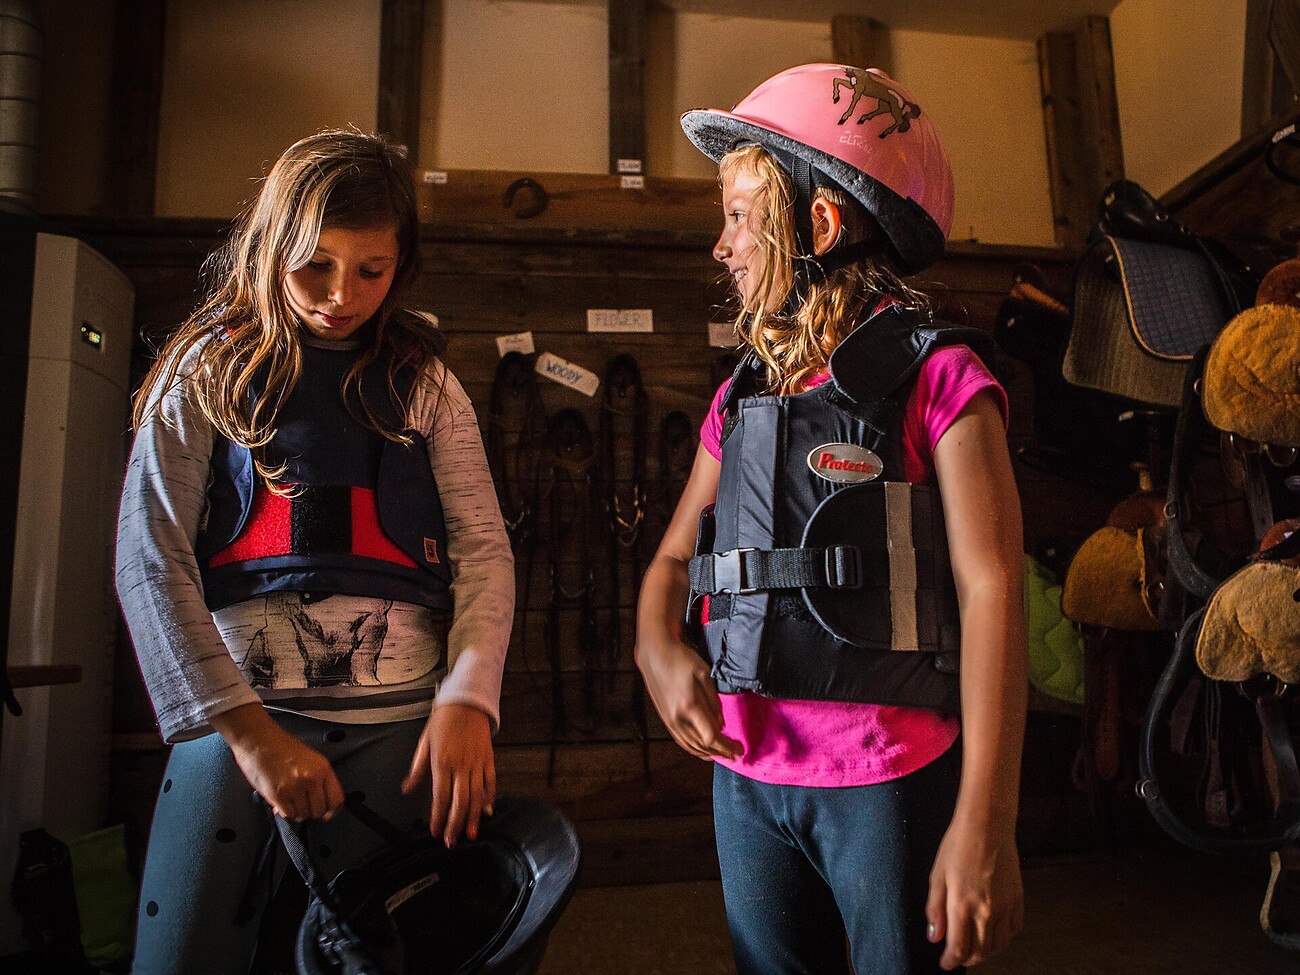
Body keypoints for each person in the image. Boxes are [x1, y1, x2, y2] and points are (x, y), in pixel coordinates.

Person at [635, 64, 1027, 974]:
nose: (722, 247)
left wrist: (987, 821)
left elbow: (995, 589)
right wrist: (656, 645)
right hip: (745, 779)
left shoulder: (941, 378)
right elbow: (671, 562)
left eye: (740, 216)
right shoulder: (740, 398)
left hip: (887, 780)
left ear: (817, 224)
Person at [115, 129, 514, 974]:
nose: (342, 295)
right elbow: (150, 557)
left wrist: (468, 700)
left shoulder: (427, 384)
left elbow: (482, 549)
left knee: (378, 955)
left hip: (400, 726)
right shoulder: (205, 371)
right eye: (315, 265)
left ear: (402, 263)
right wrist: (251, 736)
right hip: (237, 726)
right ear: (270, 247)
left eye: (372, 270)